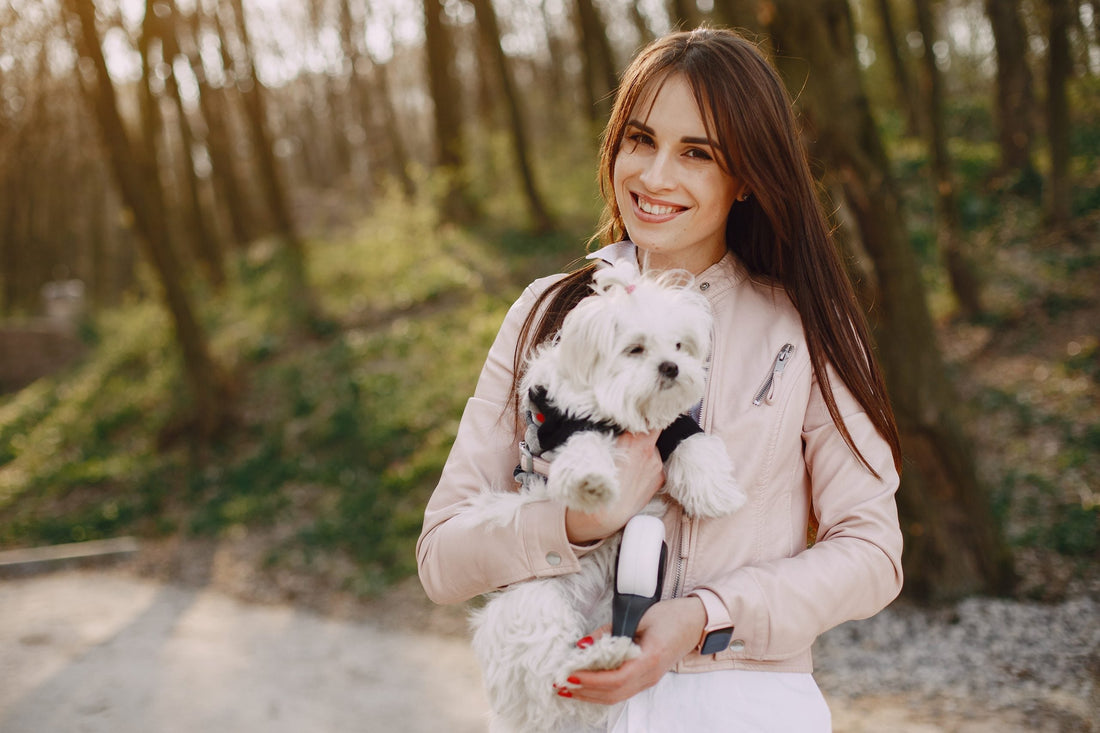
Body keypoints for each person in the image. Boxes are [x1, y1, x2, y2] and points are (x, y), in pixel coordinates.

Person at [417, 27, 903, 731]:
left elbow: (872, 550)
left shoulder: (805, 328)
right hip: (565, 704)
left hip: (738, 704)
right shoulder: (545, 313)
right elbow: (441, 556)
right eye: (640, 140)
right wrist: (579, 523)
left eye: (696, 153)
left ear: (744, 177)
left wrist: (709, 615)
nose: (653, 175)